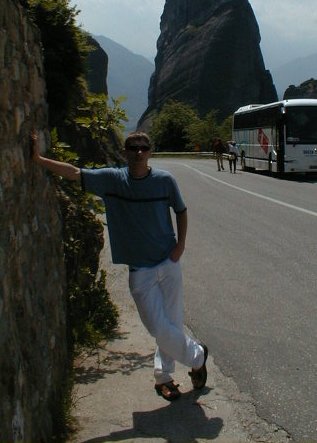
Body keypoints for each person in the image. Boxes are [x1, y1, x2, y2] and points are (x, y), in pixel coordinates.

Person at [31, 130, 208, 402]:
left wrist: (180, 246)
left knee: (172, 323)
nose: (139, 152)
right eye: (133, 147)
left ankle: (164, 377)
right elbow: (74, 173)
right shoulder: (113, 181)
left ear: (150, 152)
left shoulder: (164, 181)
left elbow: (181, 211)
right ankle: (198, 356)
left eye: (144, 147)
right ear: (124, 152)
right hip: (141, 271)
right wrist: (39, 159)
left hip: (168, 262)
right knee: (159, 328)